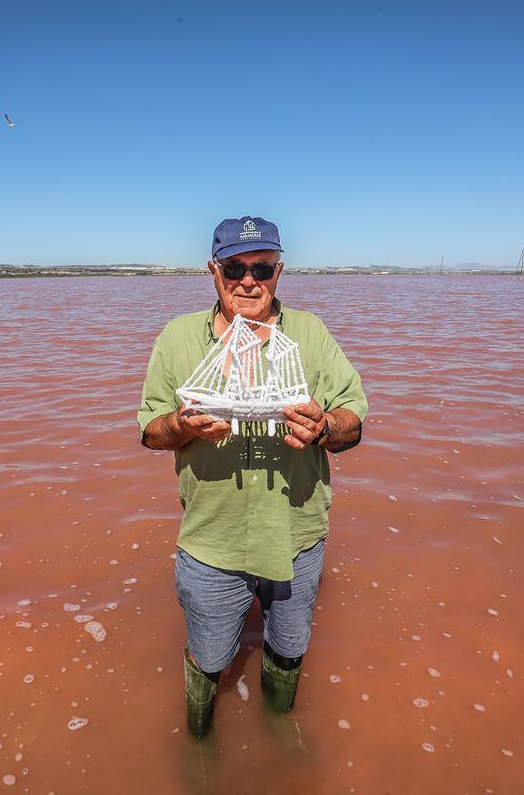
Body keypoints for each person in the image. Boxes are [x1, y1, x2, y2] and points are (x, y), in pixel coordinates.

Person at [136, 215, 368, 738]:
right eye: (234, 268)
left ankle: (280, 739)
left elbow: (354, 421)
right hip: (211, 543)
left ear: (279, 271)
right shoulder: (176, 339)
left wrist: (325, 425)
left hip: (297, 538)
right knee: (209, 657)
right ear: (212, 271)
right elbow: (150, 432)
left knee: (289, 650)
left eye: (261, 267)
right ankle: (199, 747)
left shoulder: (310, 333)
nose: (248, 280)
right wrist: (181, 425)